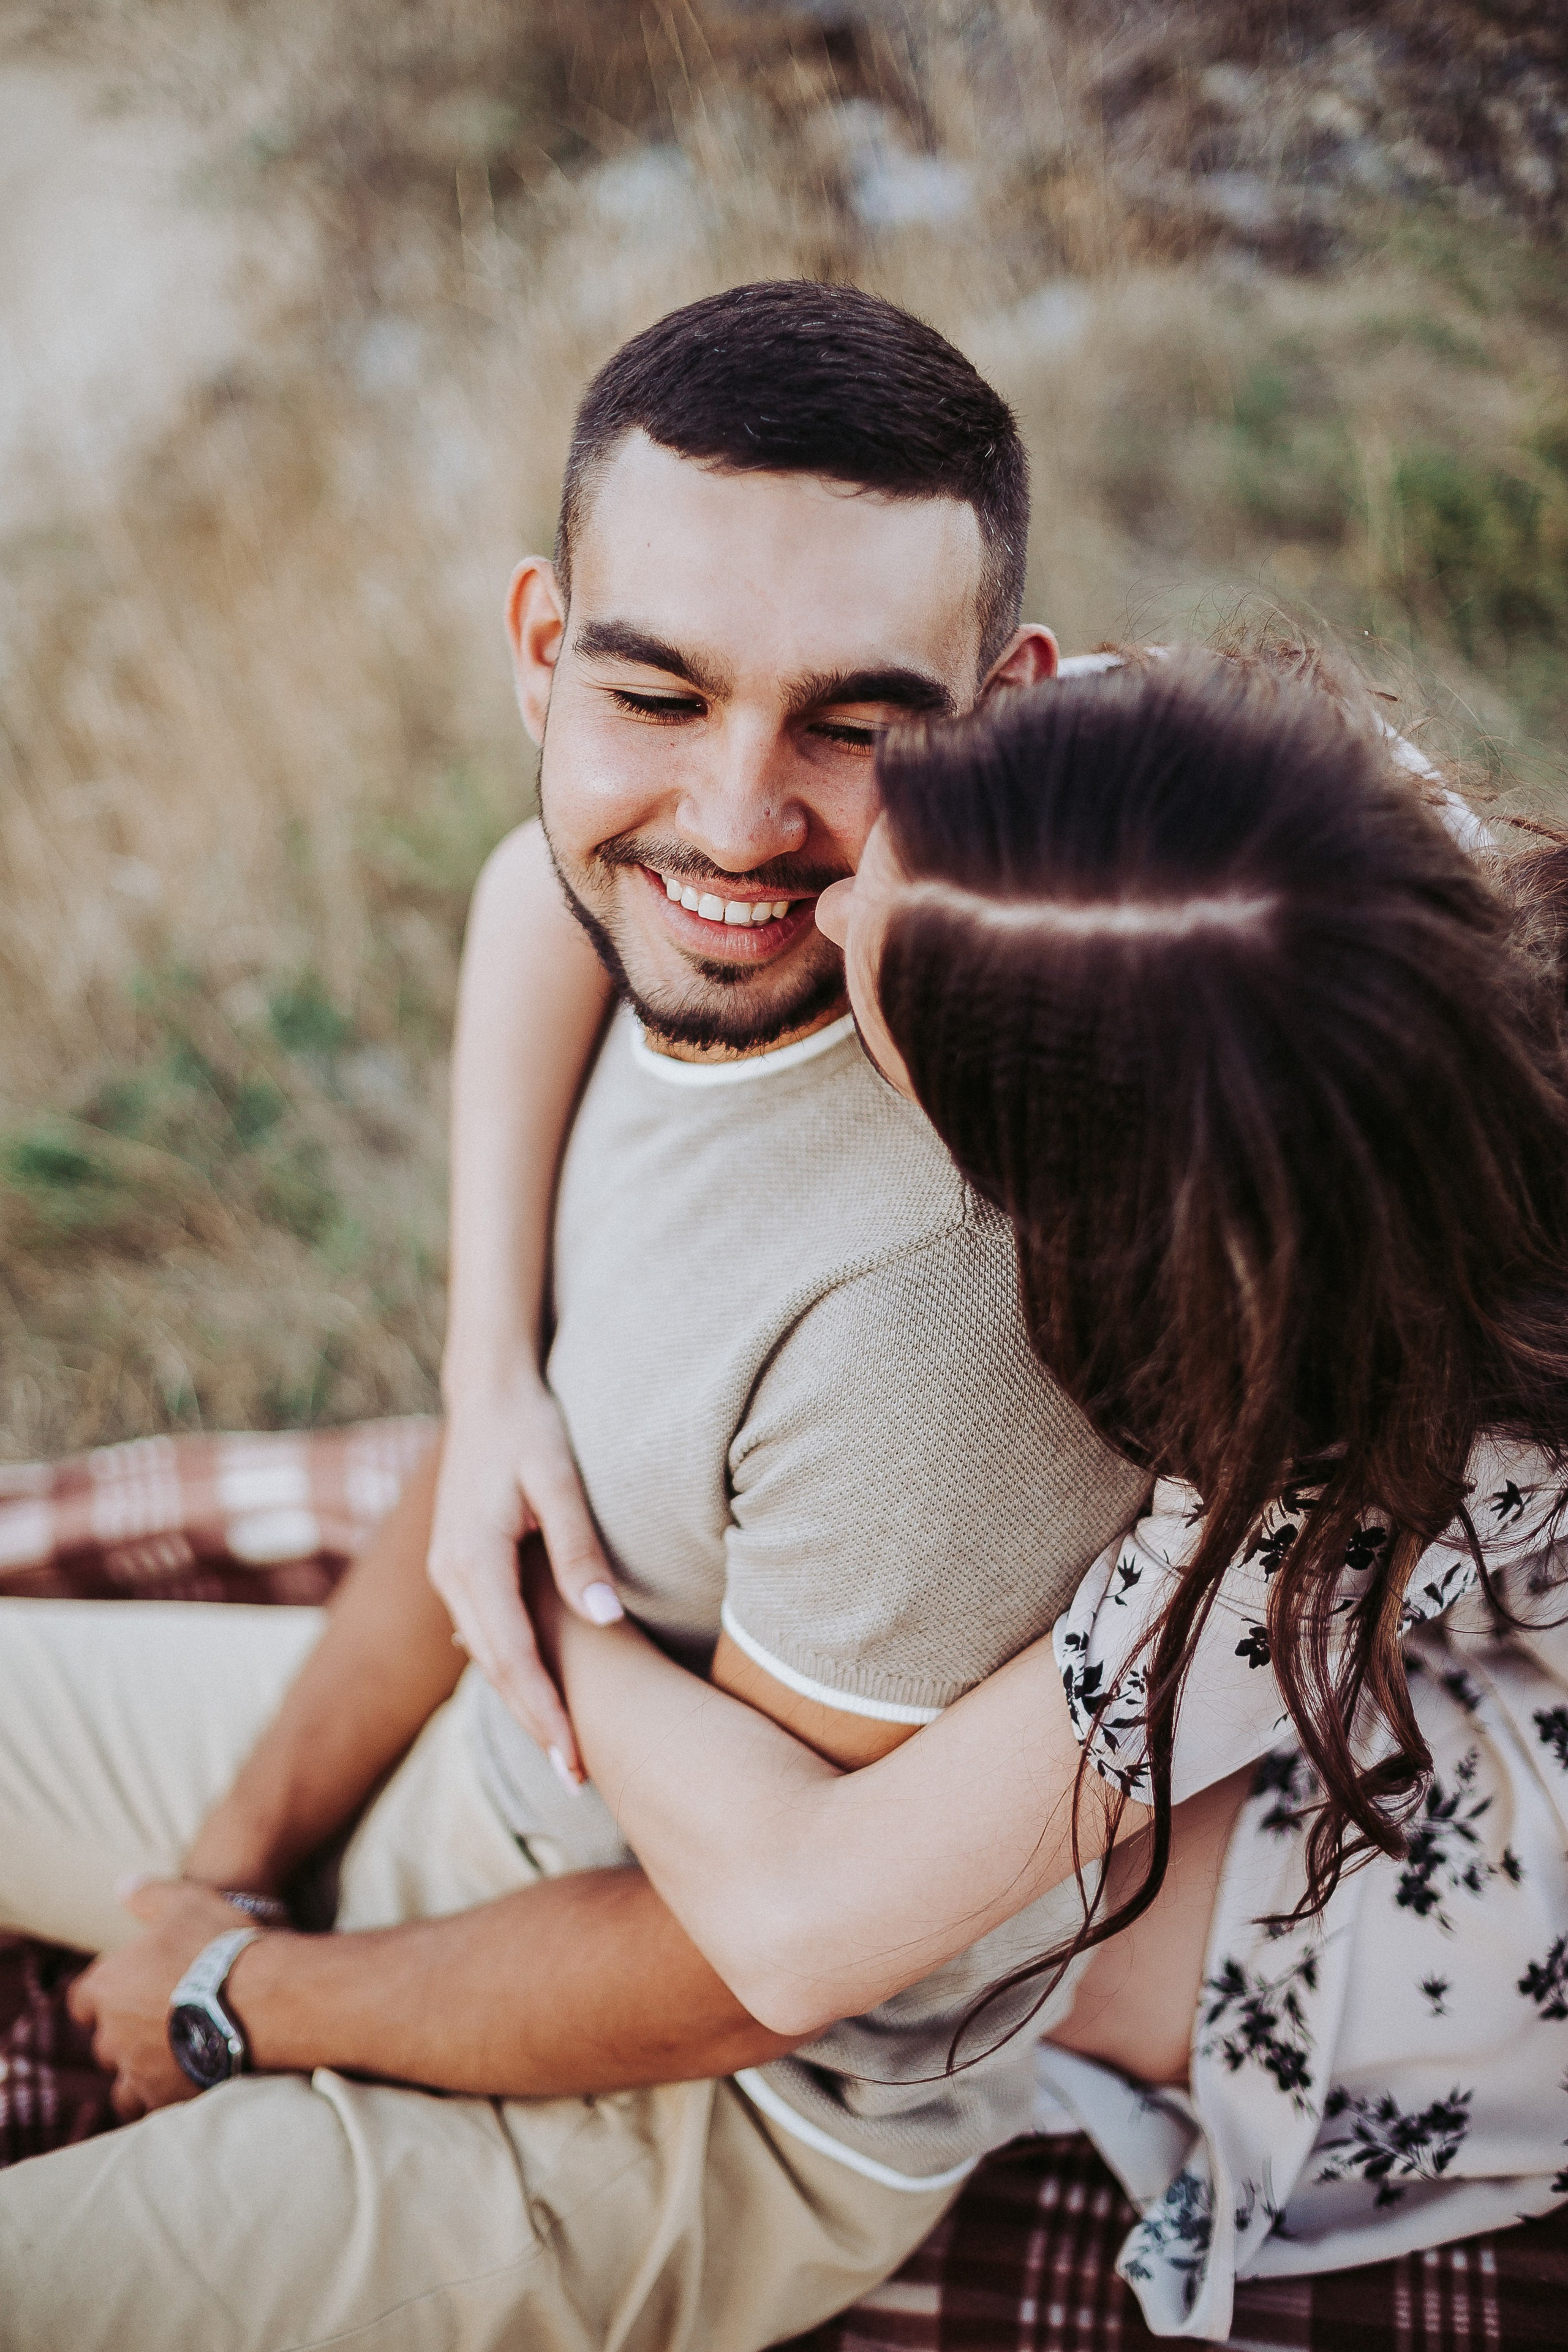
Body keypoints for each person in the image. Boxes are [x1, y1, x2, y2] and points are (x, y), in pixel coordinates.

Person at [0, 282, 1155, 2351]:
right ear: (545, 655)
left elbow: (743, 1964)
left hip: (701, 2100)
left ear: (1012, 713)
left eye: (856, 728)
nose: (733, 823)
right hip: (485, 1771)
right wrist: (238, 1853)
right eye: (659, 694)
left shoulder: (947, 1305)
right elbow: (502, 1460)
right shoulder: (607, 905)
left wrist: (232, 1987)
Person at [504, 647, 1568, 2342]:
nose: (830, 914)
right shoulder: (1247, 828)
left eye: (880, 992)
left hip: (1531, 1839)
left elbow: (797, 1929)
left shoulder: (1336, 1473)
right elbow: (529, 875)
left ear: (1071, 1205)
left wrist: (552, 1597)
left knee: (1018, 1931)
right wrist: (497, 1361)